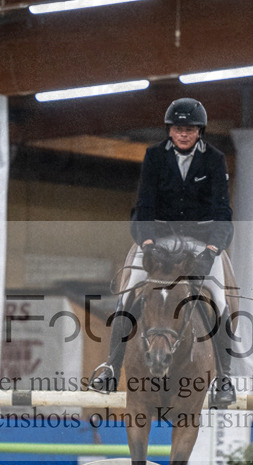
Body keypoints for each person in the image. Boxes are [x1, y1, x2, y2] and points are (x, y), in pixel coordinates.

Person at [88, 97, 237, 408]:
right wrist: (147, 245)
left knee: (220, 301)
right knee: (126, 295)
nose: (183, 134)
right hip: (159, 240)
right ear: (170, 131)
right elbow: (143, 207)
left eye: (190, 129)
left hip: (200, 242)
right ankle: (111, 368)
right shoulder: (154, 156)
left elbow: (223, 212)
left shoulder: (214, 159)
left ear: (200, 132)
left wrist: (211, 252)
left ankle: (224, 379)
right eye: (178, 129)